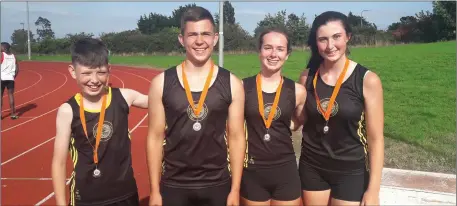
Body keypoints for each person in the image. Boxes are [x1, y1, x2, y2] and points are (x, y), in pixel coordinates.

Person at [146, 6, 246, 206]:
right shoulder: (161, 82)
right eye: (192, 34)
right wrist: (155, 191)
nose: (200, 41)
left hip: (217, 183)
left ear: (215, 38)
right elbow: (155, 138)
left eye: (205, 34)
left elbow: (236, 137)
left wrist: (235, 189)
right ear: (181, 39)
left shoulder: (232, 83)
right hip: (175, 184)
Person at [297, 11, 384, 206]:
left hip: (351, 170)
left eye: (336, 37)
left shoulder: (367, 80)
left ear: (348, 37)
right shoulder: (307, 77)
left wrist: (373, 190)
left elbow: (376, 139)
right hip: (312, 167)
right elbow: (297, 120)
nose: (330, 46)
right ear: (315, 42)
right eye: (323, 39)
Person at [51, 38, 148, 206]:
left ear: (109, 70)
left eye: (101, 72)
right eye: (87, 73)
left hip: (125, 194)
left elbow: (159, 100)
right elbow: (59, 163)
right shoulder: (68, 111)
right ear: (73, 71)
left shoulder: (124, 97)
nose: (94, 80)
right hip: (86, 197)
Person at [240, 27, 306, 206]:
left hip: (285, 171)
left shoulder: (298, 91)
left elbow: (298, 121)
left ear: (287, 54)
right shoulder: (241, 88)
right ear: (259, 51)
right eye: (268, 47)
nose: (273, 54)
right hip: (252, 171)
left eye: (280, 49)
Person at [1, 42, 19, 119]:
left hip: (1, 78)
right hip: (10, 78)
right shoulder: (13, 56)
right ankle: (13, 114)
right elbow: (17, 69)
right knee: (11, 95)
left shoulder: (1, 54)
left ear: (4, 48)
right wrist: (13, 76)